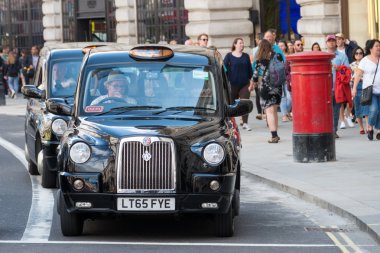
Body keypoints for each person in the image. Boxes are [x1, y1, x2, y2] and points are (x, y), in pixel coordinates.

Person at [252, 39, 284, 143]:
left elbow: (256, 75)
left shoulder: (260, 59)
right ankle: (276, 133)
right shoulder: (277, 56)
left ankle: (274, 135)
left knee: (269, 112)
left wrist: (254, 82)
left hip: (266, 87)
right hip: (278, 87)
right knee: (274, 111)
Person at [352, 39, 380, 141]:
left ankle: (379, 130)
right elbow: (358, 75)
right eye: (376, 46)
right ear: (371, 48)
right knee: (374, 110)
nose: (378, 47)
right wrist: (354, 88)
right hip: (370, 91)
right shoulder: (365, 60)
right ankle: (370, 126)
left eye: (379, 46)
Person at [224, 38, 253, 131]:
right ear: (235, 44)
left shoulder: (246, 56)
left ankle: (245, 123)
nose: (242, 44)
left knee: (244, 103)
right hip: (232, 84)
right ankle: (230, 123)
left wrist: (252, 83)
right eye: (240, 43)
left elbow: (250, 71)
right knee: (230, 104)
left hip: (245, 84)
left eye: (242, 43)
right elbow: (224, 69)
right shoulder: (229, 56)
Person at [325, 34, 350, 138]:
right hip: (324, 89)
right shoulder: (323, 56)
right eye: (329, 41)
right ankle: (325, 130)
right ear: (326, 43)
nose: (331, 42)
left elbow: (348, 70)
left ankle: (333, 131)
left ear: (336, 42)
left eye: (333, 40)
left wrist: (339, 68)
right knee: (325, 111)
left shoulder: (342, 56)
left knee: (335, 111)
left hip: (337, 88)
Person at [350, 46, 369, 134]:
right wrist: (351, 89)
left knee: (366, 107)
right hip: (356, 86)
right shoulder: (351, 65)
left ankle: (368, 127)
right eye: (356, 53)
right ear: (354, 54)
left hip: (365, 85)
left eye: (360, 53)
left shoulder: (366, 63)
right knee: (358, 107)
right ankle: (361, 128)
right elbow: (350, 79)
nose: (358, 55)